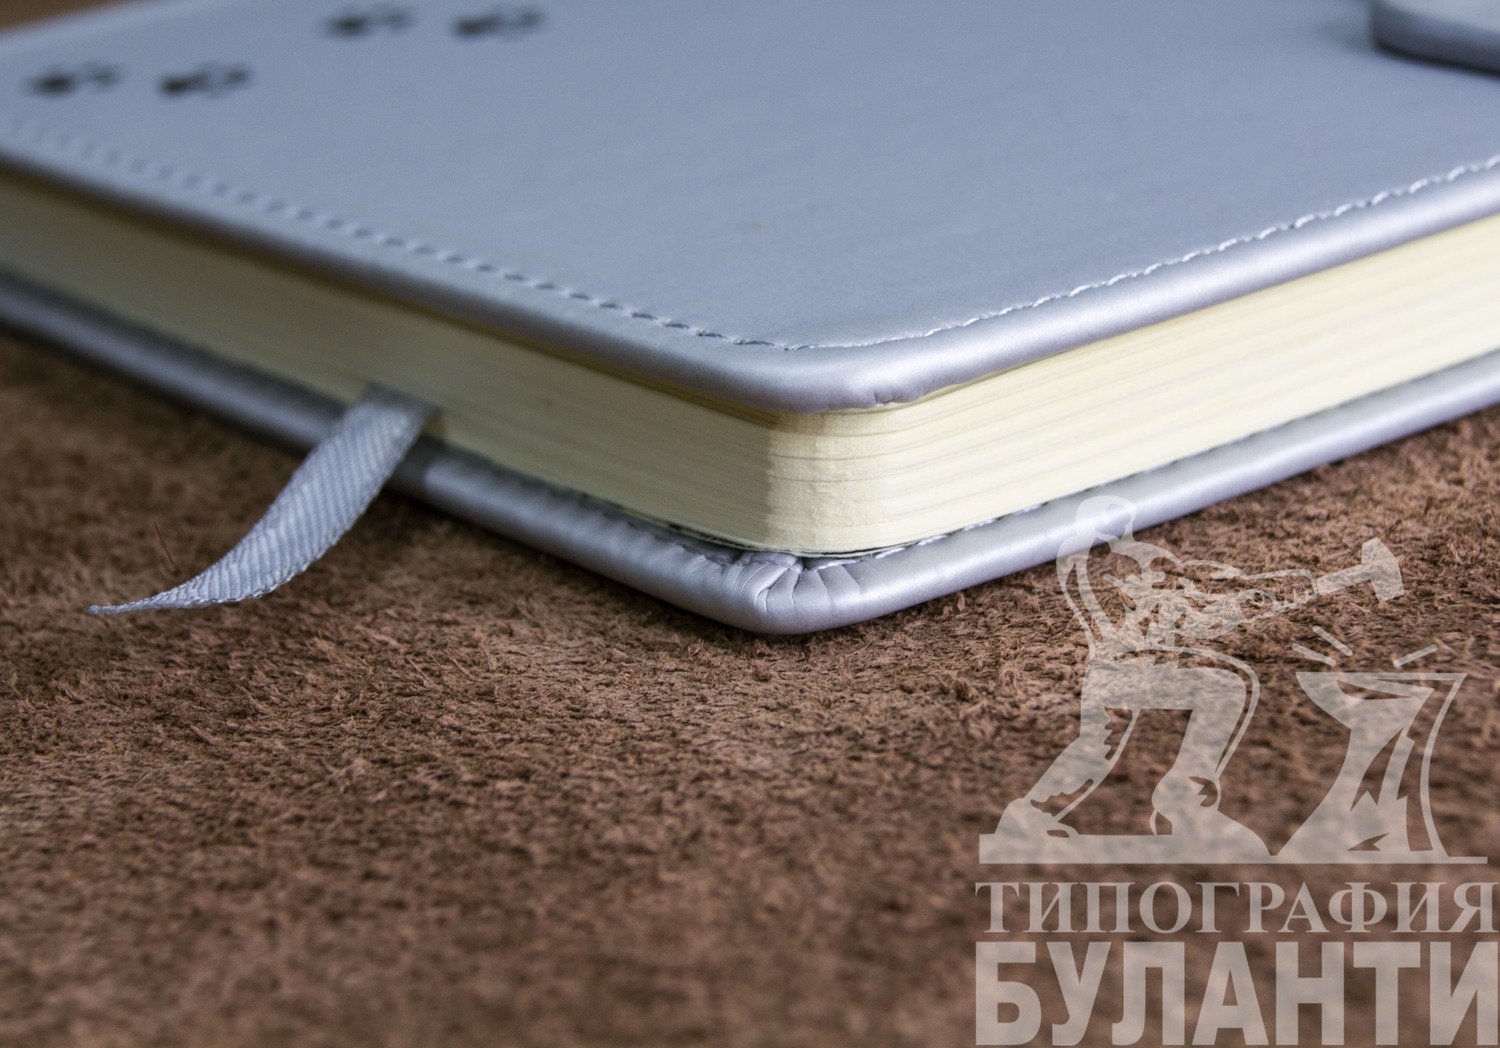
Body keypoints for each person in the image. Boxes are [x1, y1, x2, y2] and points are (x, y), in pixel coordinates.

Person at [997, 497, 1315, 848]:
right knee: (1222, 690)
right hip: (1124, 668)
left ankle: (1032, 812)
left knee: (1098, 744)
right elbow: (1167, 611)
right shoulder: (1101, 564)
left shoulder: (1104, 558)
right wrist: (1236, 604)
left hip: (1120, 666)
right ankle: (1183, 796)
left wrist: (1243, 598)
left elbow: (1176, 604)